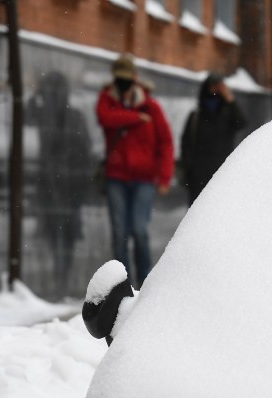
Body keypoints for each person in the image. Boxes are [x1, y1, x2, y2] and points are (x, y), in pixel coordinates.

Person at [96, 53, 174, 288]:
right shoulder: (107, 100)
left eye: (127, 79)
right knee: (119, 232)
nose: (123, 83)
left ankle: (144, 284)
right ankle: (122, 286)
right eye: (119, 78)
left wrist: (165, 176)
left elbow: (166, 142)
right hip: (116, 177)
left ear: (135, 78)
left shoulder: (151, 107)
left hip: (144, 179)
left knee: (139, 230)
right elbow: (105, 118)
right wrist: (136, 118)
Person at [27, 71, 92, 290]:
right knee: (56, 233)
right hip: (53, 184)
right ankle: (59, 277)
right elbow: (27, 111)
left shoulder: (71, 116)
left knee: (65, 234)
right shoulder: (45, 115)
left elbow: (84, 150)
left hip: (67, 185)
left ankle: (62, 277)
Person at [180, 72, 247, 206]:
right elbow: (186, 143)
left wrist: (230, 100)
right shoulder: (196, 116)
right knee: (197, 214)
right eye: (213, 86)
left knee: (218, 213)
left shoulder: (228, 113)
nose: (216, 90)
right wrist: (188, 169)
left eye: (219, 87)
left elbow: (242, 123)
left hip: (221, 173)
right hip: (198, 175)